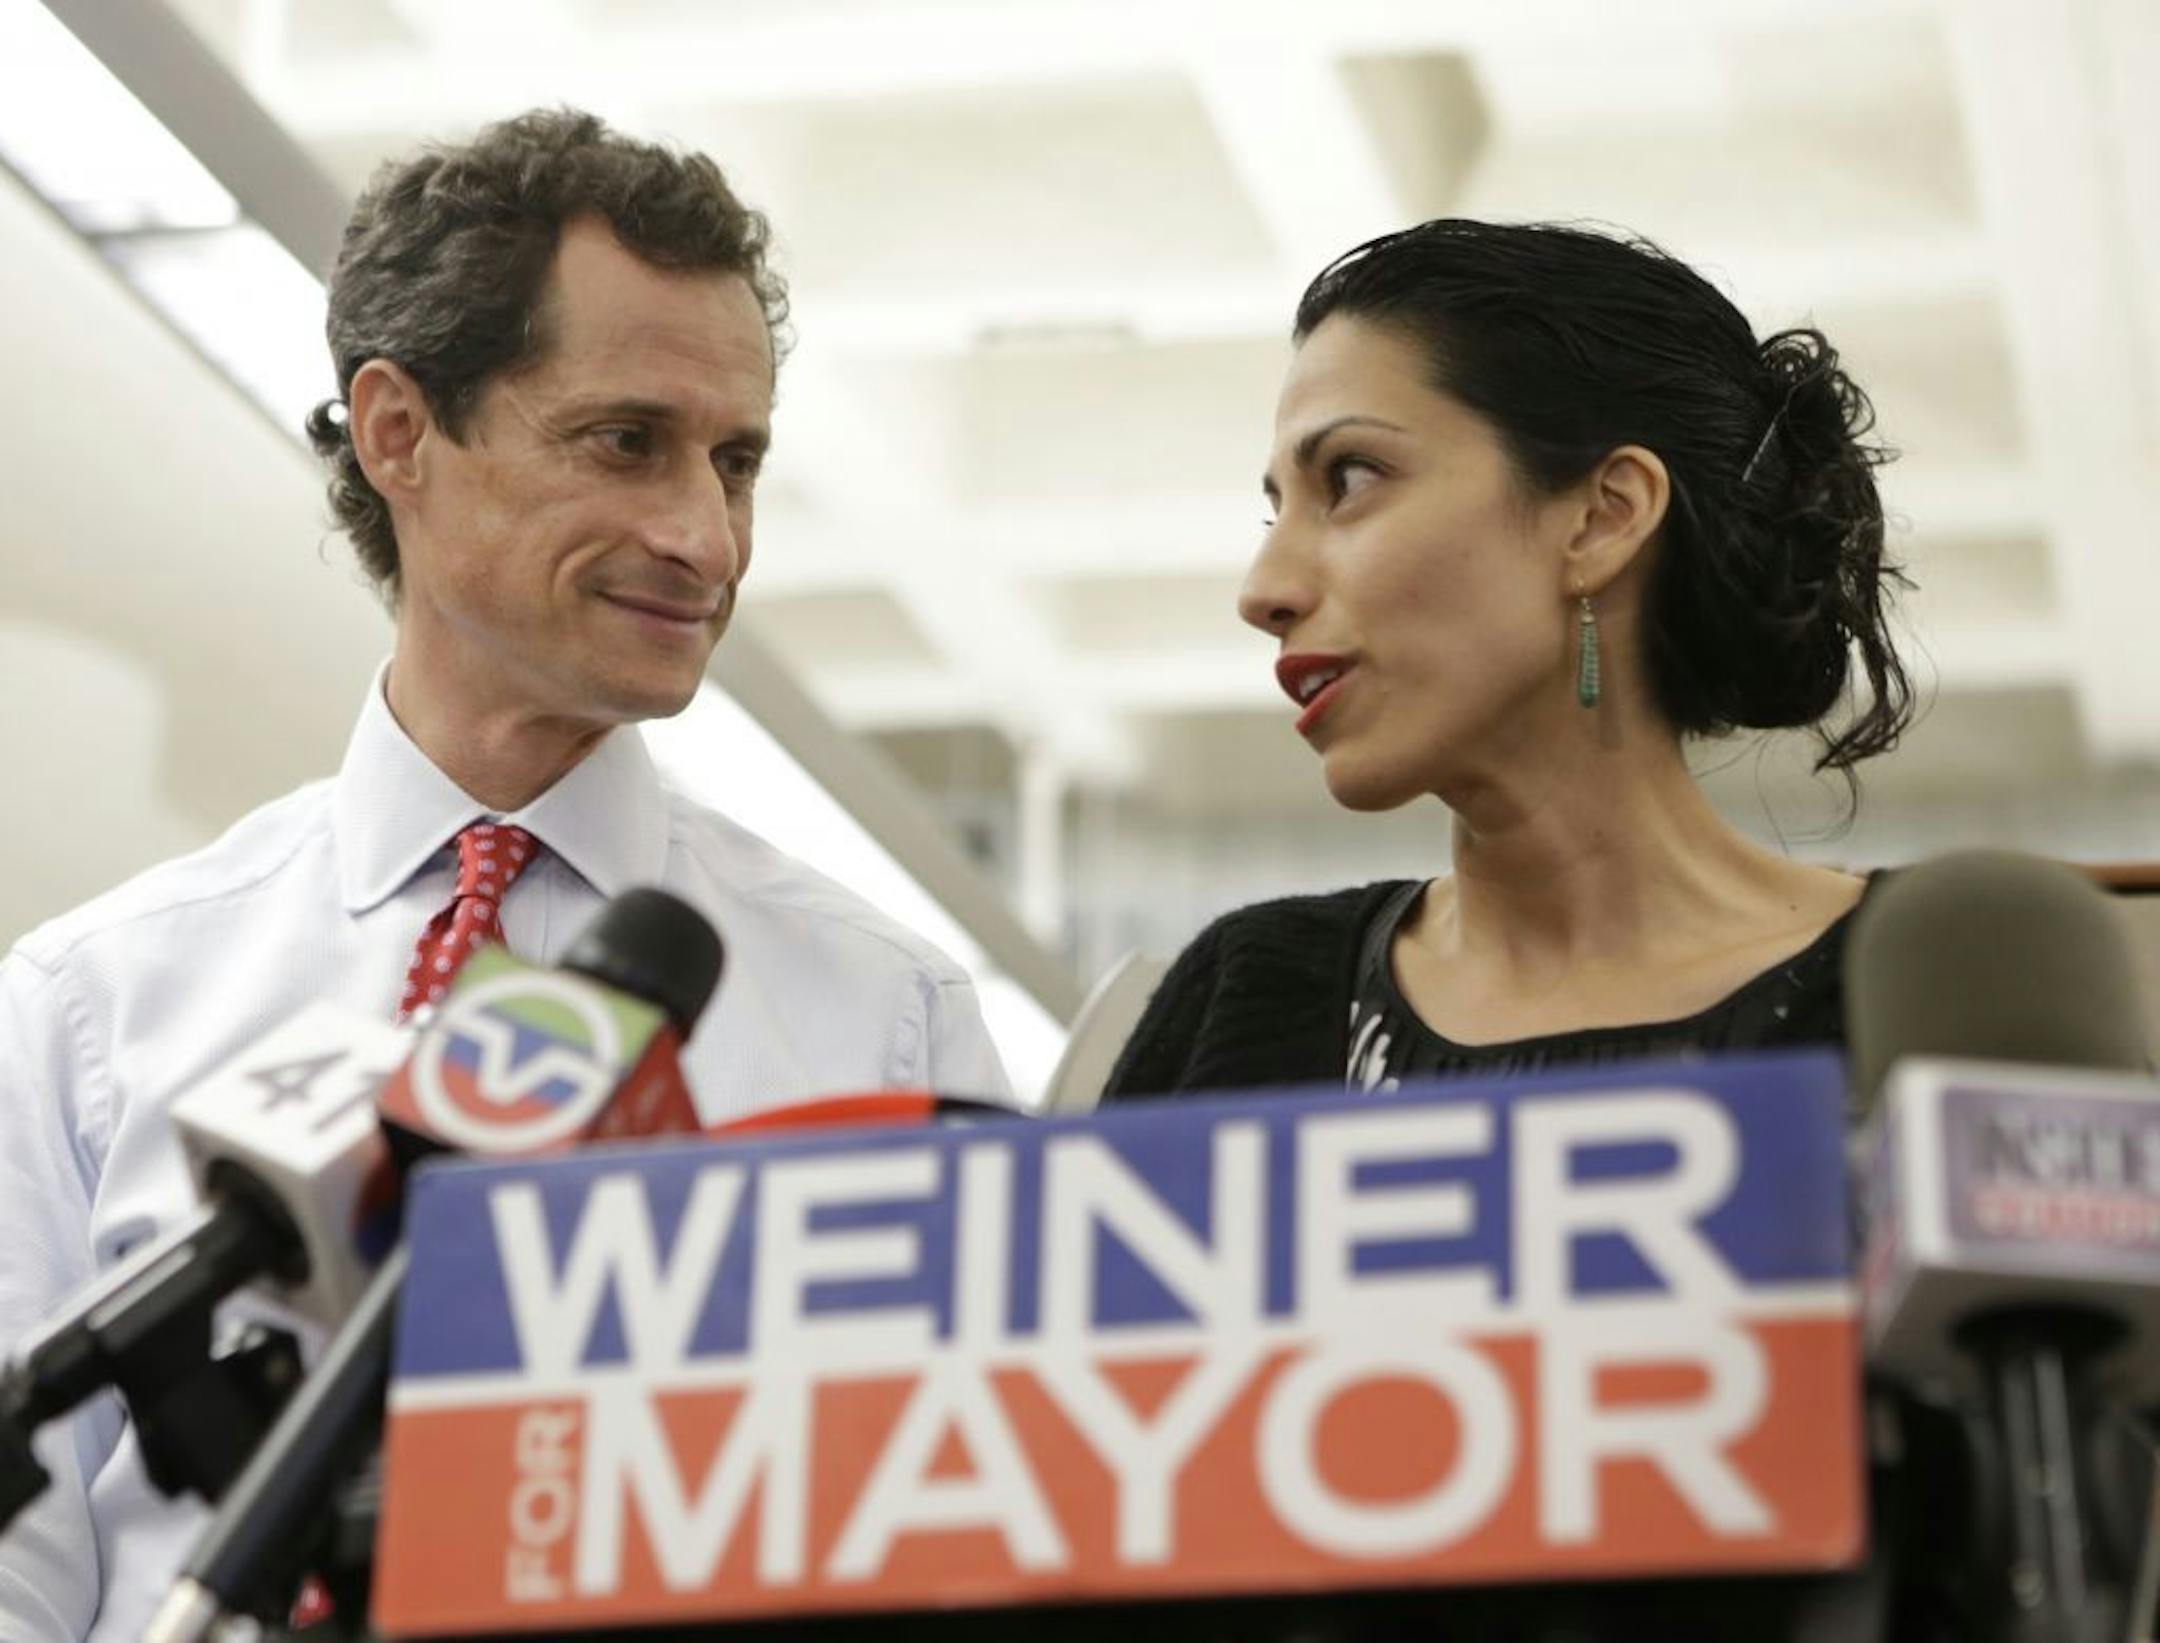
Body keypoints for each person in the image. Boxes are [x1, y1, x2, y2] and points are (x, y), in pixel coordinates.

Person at [0, 109, 1006, 1640]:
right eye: (627, 442)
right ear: (398, 430)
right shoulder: (84, 1009)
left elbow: (965, 1541)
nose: (705, 537)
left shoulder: (892, 1018)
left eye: (736, 462)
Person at [1106, 217, 1912, 1107]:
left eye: (1351, 478)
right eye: (1276, 512)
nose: (1264, 589)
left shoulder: (1934, 986)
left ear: (1604, 517)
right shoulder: (1243, 993)